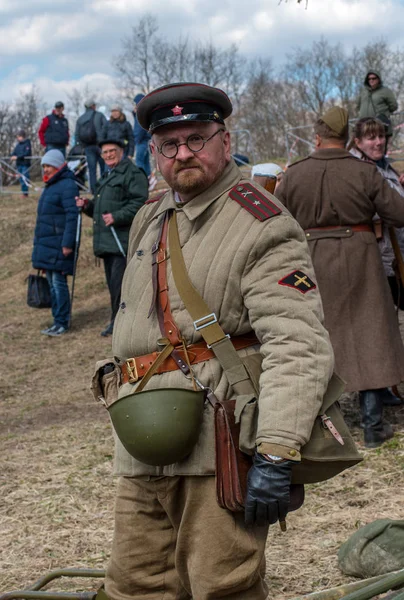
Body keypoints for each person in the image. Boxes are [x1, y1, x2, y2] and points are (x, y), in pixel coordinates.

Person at [99, 82, 334, 600]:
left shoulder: (262, 224)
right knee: (134, 586)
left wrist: (275, 453)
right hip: (143, 444)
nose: (183, 153)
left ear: (225, 142)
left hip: (218, 443)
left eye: (197, 138)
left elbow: (297, 344)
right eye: (169, 143)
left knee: (220, 587)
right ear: (154, 152)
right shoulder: (151, 216)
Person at [276, 106, 404, 448]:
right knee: (370, 333)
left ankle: (325, 427)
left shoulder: (294, 174)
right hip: (361, 256)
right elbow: (398, 213)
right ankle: (373, 425)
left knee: (319, 336)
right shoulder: (364, 171)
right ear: (348, 138)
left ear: (317, 136)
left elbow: (277, 219)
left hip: (313, 261)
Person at [76, 139, 148, 337]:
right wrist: (87, 206)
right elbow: (102, 213)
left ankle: (121, 324)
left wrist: (117, 216)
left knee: (121, 287)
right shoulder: (107, 176)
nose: (108, 155)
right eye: (105, 152)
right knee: (114, 287)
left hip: (122, 242)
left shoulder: (132, 173)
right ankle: (118, 321)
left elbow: (140, 203)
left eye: (112, 151)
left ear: (122, 151)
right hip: (107, 243)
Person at [32, 149, 79, 336]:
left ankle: (62, 322)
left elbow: (72, 216)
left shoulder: (67, 185)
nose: (46, 169)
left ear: (59, 165)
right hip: (47, 245)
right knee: (52, 284)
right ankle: (56, 321)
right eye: (44, 166)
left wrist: (68, 243)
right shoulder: (50, 186)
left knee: (59, 284)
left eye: (49, 165)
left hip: (60, 245)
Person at [75, 99, 107, 193]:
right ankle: (104, 188)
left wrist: (81, 146)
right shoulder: (99, 115)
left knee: (92, 170)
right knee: (103, 168)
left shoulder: (80, 119)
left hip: (88, 147)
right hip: (100, 145)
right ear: (93, 106)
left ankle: (93, 190)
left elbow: (77, 134)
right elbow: (106, 127)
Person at [357, 70, 398, 138]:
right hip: (365, 127)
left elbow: (394, 106)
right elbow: (358, 106)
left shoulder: (385, 91)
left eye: (374, 78)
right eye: (369, 79)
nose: (371, 80)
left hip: (380, 125)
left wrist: (384, 114)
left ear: (378, 79)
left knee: (380, 146)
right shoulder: (363, 92)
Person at [133, 93, 151, 177]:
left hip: (141, 141)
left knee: (139, 162)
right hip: (144, 141)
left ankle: (142, 178)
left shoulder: (140, 114)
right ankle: (148, 178)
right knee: (145, 161)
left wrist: (137, 139)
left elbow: (140, 129)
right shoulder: (142, 113)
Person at [11, 129, 32, 198]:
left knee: (25, 178)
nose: (17, 138)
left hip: (25, 164)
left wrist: (17, 157)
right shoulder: (18, 145)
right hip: (19, 164)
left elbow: (26, 153)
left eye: (18, 136)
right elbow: (14, 152)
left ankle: (25, 193)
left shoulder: (27, 143)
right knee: (21, 179)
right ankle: (24, 193)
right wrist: (12, 155)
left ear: (22, 136)